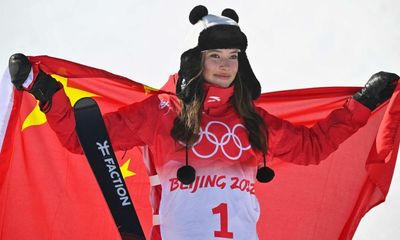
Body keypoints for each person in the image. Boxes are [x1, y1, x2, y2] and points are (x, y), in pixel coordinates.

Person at [8, 5, 399, 240]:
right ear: (197, 60)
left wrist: (362, 104)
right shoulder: (162, 112)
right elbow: (87, 141)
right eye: (216, 55)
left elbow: (313, 147)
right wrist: (45, 90)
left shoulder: (253, 120)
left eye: (233, 57)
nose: (226, 66)